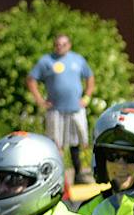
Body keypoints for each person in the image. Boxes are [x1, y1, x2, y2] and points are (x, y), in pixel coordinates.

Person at [28, 33, 95, 185]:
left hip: (76, 109)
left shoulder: (77, 59)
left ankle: (79, 175)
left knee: (77, 142)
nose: (60, 47)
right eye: (57, 44)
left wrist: (87, 97)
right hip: (56, 110)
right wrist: (39, 100)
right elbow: (31, 79)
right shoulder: (46, 61)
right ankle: (58, 177)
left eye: (64, 44)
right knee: (57, 144)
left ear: (69, 45)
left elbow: (90, 77)